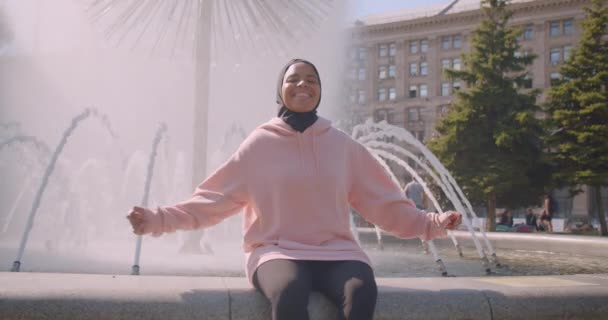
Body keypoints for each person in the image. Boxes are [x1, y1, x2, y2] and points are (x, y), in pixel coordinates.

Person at [127, 58, 462, 320]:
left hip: (338, 253)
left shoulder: (343, 146)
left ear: (320, 91)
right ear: (281, 90)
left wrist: (430, 222)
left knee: (361, 292)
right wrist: (158, 219)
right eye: (294, 79)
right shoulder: (258, 145)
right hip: (275, 252)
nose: (303, 84)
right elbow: (213, 201)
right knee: (289, 294)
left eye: (312, 80)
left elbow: (383, 202)